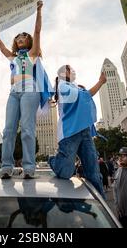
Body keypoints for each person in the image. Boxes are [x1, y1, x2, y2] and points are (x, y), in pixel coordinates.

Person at [0, 0, 48, 180]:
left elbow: (38, 31)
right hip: (14, 94)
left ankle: (29, 167)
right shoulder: (12, 57)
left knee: (27, 130)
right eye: (17, 37)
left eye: (23, 36)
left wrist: (38, 11)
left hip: (30, 92)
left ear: (28, 40)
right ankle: (6, 166)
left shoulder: (33, 53)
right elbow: (1, 47)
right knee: (8, 130)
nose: (20, 38)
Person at [49, 65, 107, 198]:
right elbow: (85, 97)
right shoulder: (62, 86)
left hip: (85, 132)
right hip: (70, 133)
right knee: (65, 172)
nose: (73, 71)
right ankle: (53, 161)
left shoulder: (76, 87)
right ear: (64, 74)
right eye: (70, 70)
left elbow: (84, 102)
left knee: (93, 173)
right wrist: (101, 82)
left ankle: (101, 202)